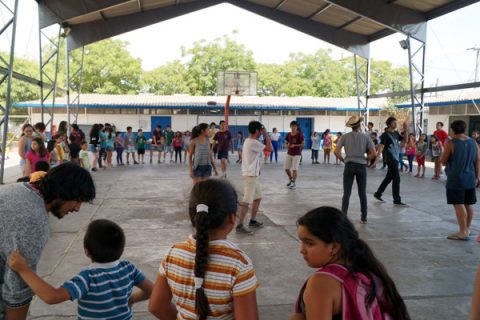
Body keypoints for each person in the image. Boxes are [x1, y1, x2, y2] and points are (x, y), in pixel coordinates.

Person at [149, 179, 259, 320]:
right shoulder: (239, 265)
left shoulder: (173, 253)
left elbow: (157, 306)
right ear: (232, 218)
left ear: (193, 217)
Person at [0, 163, 95, 320]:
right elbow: (17, 289)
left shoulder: (20, 189)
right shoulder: (33, 220)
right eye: (78, 200)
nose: (77, 208)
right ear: (64, 191)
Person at [8, 219, 153, 319]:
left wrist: (24, 269)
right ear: (121, 249)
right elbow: (152, 290)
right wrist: (133, 298)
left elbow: (52, 297)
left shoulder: (87, 278)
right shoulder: (128, 268)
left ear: (87, 251)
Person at [291, 207, 410, 320]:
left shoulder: (321, 283)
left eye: (309, 243)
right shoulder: (366, 269)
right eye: (301, 242)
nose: (302, 250)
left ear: (334, 247)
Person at [440, 120, 480, 241]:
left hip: (456, 178)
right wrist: (478, 176)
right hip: (470, 177)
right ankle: (467, 228)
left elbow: (443, 160)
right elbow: (478, 160)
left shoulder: (451, 143)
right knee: (468, 203)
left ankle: (462, 232)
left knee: (458, 204)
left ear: (452, 130)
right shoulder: (473, 142)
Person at [335, 116, 376, 223]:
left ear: (351, 126)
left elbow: (336, 151)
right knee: (362, 192)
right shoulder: (366, 137)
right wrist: (367, 159)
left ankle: (344, 216)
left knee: (346, 193)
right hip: (361, 166)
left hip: (349, 165)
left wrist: (343, 160)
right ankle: (364, 217)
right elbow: (374, 153)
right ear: (359, 125)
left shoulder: (344, 137)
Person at [236, 121, 272, 234]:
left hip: (253, 174)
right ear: (257, 131)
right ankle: (240, 225)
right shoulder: (252, 142)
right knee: (246, 200)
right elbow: (270, 148)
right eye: (260, 131)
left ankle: (252, 220)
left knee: (258, 197)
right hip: (250, 175)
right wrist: (266, 134)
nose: (261, 133)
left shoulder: (248, 141)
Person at [374, 117, 407, 206]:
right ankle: (396, 200)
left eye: (396, 123)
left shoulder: (396, 133)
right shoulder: (385, 135)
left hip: (395, 158)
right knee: (396, 178)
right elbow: (381, 146)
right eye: (393, 123)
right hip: (390, 158)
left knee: (389, 178)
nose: (395, 124)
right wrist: (376, 158)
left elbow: (405, 140)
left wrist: (405, 129)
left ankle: (378, 193)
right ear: (389, 124)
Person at [284, 121, 305, 190]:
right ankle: (291, 179)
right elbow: (286, 142)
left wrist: (295, 145)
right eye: (292, 126)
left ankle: (293, 182)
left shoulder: (300, 134)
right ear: (290, 126)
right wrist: (286, 145)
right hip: (289, 153)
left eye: (295, 126)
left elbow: (303, 144)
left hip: (297, 154)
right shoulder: (288, 134)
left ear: (297, 127)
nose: (293, 127)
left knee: (294, 169)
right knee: (286, 168)